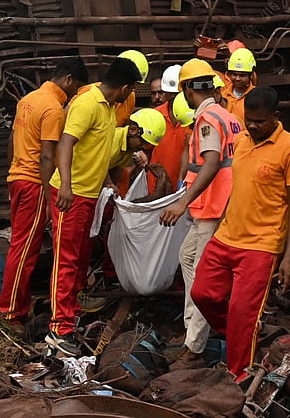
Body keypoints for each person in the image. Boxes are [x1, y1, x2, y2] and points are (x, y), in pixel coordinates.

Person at [191, 86, 290, 376]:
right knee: (202, 294)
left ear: (276, 117)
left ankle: (238, 375)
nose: (252, 126)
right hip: (226, 236)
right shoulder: (241, 140)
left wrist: (289, 257)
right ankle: (240, 333)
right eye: (249, 120)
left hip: (261, 246)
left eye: (259, 121)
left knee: (243, 314)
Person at [47, 55, 144, 356]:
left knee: (76, 258)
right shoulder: (89, 104)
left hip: (88, 193)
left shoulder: (109, 108)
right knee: (65, 260)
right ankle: (58, 327)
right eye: (132, 91)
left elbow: (96, 150)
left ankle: (70, 313)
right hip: (70, 194)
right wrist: (65, 184)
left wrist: (107, 183)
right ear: (125, 87)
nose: (132, 97)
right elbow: (66, 142)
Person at [160, 58, 240, 369]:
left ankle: (195, 346)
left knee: (204, 274)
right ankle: (193, 331)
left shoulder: (207, 118)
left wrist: (181, 202)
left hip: (214, 205)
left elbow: (210, 162)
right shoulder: (227, 115)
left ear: (188, 90)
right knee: (187, 257)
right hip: (215, 204)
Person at [0, 58, 89, 323]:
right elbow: (47, 157)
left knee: (19, 245)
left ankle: (18, 307)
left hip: (17, 178)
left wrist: (11, 176)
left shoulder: (28, 100)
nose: (74, 94)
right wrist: (50, 200)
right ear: (68, 79)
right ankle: (9, 312)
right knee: (25, 250)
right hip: (35, 183)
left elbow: (11, 142)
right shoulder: (53, 109)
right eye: (76, 87)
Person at [143, 65, 188, 195]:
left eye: (177, 93)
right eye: (170, 93)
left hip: (183, 185)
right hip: (157, 184)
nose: (174, 97)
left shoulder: (193, 117)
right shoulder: (156, 114)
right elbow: (145, 146)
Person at [221, 47, 257, 126]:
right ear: (229, 74)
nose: (237, 78)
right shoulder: (223, 96)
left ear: (251, 75)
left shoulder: (257, 97)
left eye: (242, 75)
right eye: (234, 74)